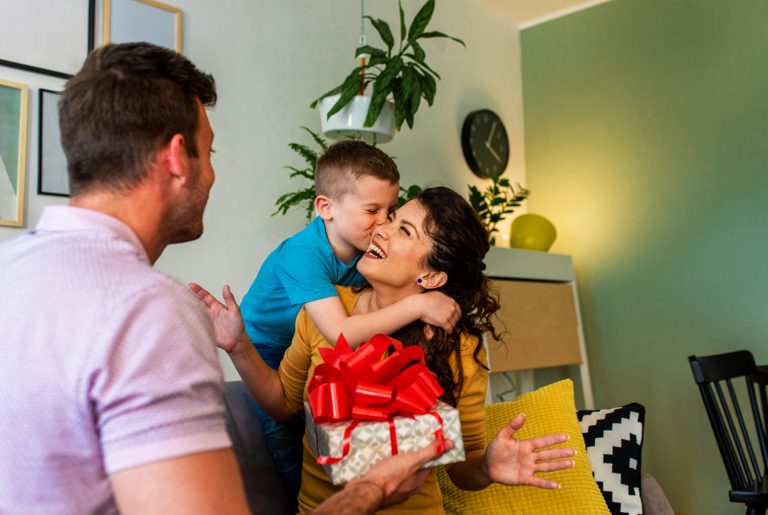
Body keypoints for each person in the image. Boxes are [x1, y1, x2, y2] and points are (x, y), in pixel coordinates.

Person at [0, 42, 448, 515]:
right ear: (177, 158)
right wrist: (371, 490)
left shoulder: (9, 268)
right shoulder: (151, 312)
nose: (212, 173)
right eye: (208, 151)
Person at [193, 186, 578, 514]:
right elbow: (281, 404)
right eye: (392, 218)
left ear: (430, 276)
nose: (382, 228)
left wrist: (487, 467)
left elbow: (464, 469)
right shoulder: (325, 314)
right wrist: (237, 344)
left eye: (404, 230)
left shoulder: (458, 348)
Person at [238, 139, 461, 509]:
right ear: (325, 207)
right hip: (266, 340)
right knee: (284, 435)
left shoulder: (361, 249)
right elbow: (341, 334)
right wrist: (417, 304)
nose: (384, 224)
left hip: (305, 331)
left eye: (391, 212)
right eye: (373, 210)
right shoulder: (302, 255)